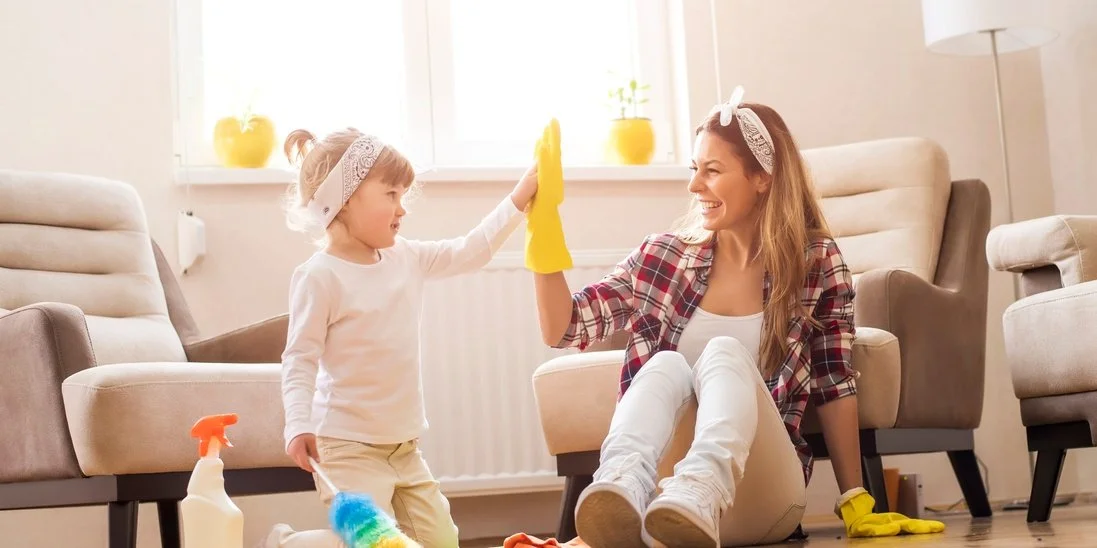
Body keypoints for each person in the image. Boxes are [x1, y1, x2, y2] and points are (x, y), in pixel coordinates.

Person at [526, 87, 944, 547]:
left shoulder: (816, 263)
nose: (694, 186)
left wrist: (856, 499)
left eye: (712, 171)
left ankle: (702, 488)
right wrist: (544, 234)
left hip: (761, 495)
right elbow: (564, 327)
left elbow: (834, 383)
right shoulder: (661, 258)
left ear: (761, 178)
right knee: (663, 366)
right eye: (693, 170)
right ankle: (622, 484)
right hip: (662, 503)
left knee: (722, 353)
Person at [265, 127, 539, 548]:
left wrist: (521, 197)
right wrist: (298, 424)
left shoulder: (405, 257)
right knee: (372, 543)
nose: (402, 208)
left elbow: (471, 250)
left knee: (442, 542)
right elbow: (299, 358)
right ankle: (287, 543)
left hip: (404, 448)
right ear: (344, 200)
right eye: (391, 194)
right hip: (346, 448)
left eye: (402, 195)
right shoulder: (320, 277)